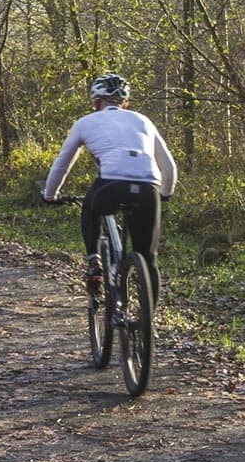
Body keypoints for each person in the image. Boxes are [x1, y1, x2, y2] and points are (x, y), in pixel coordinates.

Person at [41, 73, 177, 299]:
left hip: (111, 185)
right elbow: (169, 168)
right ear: (125, 103)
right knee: (148, 258)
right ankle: (147, 326)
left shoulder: (85, 122)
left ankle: (94, 261)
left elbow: (62, 165)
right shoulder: (143, 120)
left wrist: (50, 195)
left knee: (89, 206)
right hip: (148, 188)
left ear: (95, 102)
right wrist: (164, 194)